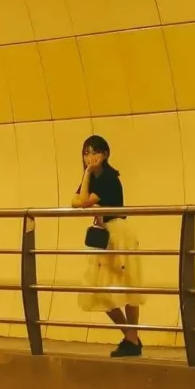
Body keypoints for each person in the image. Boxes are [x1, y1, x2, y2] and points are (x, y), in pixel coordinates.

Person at [71, 133, 141, 357]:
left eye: (95, 152)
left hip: (118, 233)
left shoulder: (109, 177)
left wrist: (88, 175)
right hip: (104, 235)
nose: (90, 157)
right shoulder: (93, 178)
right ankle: (131, 337)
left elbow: (83, 202)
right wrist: (87, 174)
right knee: (99, 289)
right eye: (86, 153)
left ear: (105, 154)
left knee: (126, 285)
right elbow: (75, 202)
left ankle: (131, 338)